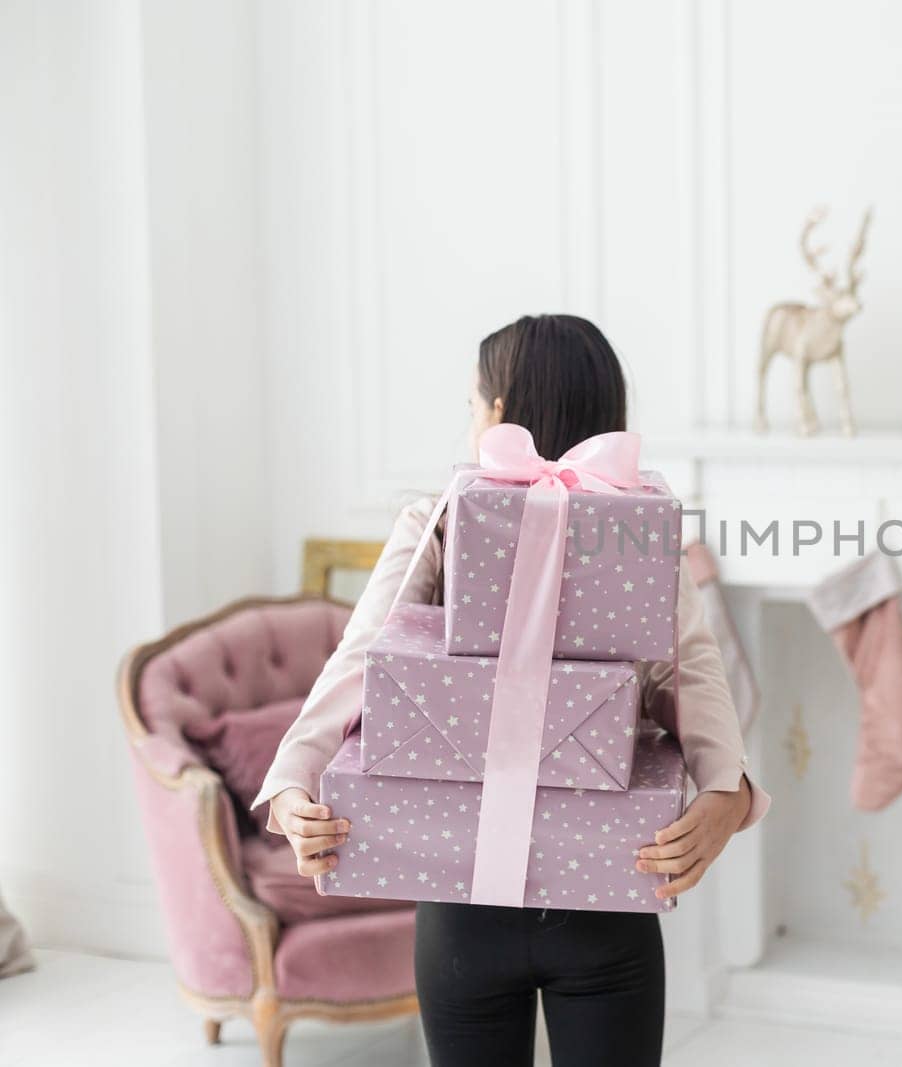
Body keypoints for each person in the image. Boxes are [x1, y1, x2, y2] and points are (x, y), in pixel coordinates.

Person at [250, 314, 769, 1067]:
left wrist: (728, 791)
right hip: (578, 908)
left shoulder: (608, 529)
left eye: (470, 406)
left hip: (504, 916)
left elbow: (355, 663)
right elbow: (686, 672)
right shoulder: (454, 528)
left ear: (497, 413)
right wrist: (293, 783)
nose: (469, 424)